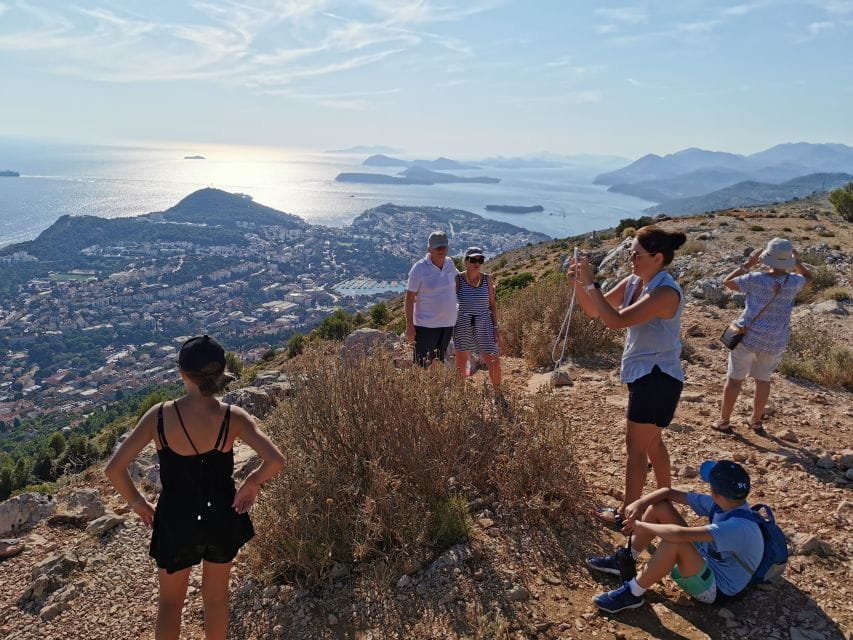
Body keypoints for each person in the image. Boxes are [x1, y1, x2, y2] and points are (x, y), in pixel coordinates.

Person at [105, 335, 285, 640]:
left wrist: (137, 502)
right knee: (216, 599)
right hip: (222, 516)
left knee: (170, 604)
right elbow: (276, 460)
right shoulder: (233, 417)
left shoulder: (159, 416)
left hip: (176, 520)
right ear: (222, 372)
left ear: (181, 372)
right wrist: (252, 483)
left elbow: (114, 469)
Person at [568, 226, 687, 529]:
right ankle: (663, 499)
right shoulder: (635, 282)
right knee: (653, 443)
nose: (631, 260)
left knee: (636, 450)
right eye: (630, 253)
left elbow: (616, 321)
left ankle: (626, 517)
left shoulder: (664, 292)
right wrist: (579, 284)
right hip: (649, 376)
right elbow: (595, 311)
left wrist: (591, 284)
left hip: (656, 378)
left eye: (636, 255)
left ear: (658, 258)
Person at [587, 460, 764, 613]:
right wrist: (640, 503)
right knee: (659, 507)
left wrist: (640, 525)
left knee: (675, 542)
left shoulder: (739, 528)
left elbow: (679, 535)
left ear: (716, 493)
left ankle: (633, 593)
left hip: (718, 588)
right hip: (706, 559)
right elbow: (667, 492)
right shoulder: (724, 503)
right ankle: (625, 560)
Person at [714, 238, 812, 434]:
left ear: (767, 257)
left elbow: (727, 282)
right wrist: (798, 262)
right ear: (788, 259)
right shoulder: (794, 282)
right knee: (763, 380)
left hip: (747, 337)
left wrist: (747, 264)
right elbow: (809, 279)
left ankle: (724, 422)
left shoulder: (755, 278)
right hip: (774, 341)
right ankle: (756, 421)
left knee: (734, 380)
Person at [405, 231, 460, 367]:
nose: (441, 250)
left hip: (447, 324)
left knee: (437, 362)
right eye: (437, 247)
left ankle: (434, 382)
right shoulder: (419, 268)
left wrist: (483, 282)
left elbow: (460, 280)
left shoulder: (449, 263)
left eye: (443, 247)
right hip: (426, 326)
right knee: (422, 364)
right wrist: (410, 327)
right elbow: (409, 298)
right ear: (429, 248)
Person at [452, 247, 502, 392]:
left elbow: (492, 305)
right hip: (463, 325)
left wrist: (495, 328)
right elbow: (448, 301)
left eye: (480, 260)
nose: (477, 263)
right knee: (461, 362)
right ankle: (459, 395)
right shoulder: (458, 279)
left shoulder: (487, 279)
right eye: (473, 260)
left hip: (484, 324)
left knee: (494, 361)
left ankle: (498, 394)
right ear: (466, 261)